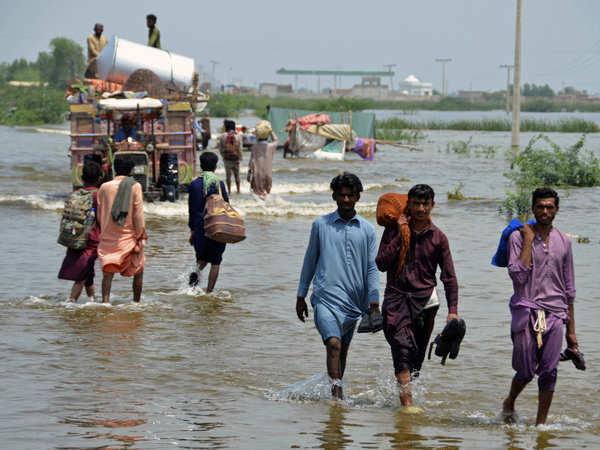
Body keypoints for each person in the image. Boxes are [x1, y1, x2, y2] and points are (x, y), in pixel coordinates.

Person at [296, 172, 380, 399]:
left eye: (350, 195)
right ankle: (337, 394)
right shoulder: (320, 225)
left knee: (342, 350)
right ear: (334, 196)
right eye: (341, 195)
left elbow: (372, 268)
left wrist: (373, 303)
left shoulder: (367, 230)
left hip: (354, 303)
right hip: (325, 298)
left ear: (358, 197)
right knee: (332, 343)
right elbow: (309, 261)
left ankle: (337, 390)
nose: (346, 200)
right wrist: (301, 296)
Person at [376, 184, 459, 407]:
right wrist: (398, 235)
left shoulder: (439, 238)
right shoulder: (393, 231)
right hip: (396, 302)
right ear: (409, 205)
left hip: (426, 305)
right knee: (402, 350)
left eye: (425, 203)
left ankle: (404, 396)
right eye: (416, 203)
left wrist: (453, 312)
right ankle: (407, 403)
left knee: (416, 361)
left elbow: (449, 277)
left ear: (433, 205)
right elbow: (381, 264)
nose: (421, 208)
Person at [502, 187, 578, 426]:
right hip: (526, 310)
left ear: (556, 210)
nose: (545, 211)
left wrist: (572, 333)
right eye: (540, 207)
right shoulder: (517, 237)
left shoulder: (564, 241)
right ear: (533, 208)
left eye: (549, 207)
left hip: (556, 313)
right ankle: (510, 401)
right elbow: (517, 276)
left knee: (549, 372)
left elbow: (569, 289)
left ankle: (540, 425)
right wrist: (527, 239)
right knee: (525, 371)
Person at [97, 155, 147, 303]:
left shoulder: (104, 187)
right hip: (128, 236)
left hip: (108, 236)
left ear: (114, 168)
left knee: (107, 273)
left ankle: (105, 303)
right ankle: (136, 302)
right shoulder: (135, 186)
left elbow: (100, 214)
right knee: (139, 269)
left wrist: (106, 229)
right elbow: (138, 214)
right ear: (131, 170)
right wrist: (140, 235)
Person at [58, 161, 102, 302]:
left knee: (88, 273)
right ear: (99, 179)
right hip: (91, 238)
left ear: (82, 178)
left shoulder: (75, 193)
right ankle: (70, 302)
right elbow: (102, 218)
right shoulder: (98, 195)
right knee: (82, 274)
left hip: (75, 236)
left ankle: (92, 300)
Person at [188, 152, 229, 293]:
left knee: (201, 259)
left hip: (200, 229)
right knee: (216, 261)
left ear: (200, 166)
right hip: (215, 227)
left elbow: (191, 210)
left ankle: (191, 288)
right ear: (215, 167)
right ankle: (209, 292)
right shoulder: (218, 183)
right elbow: (226, 204)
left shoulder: (193, 185)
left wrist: (192, 231)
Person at [247, 126, 278, 197]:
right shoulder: (271, 146)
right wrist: (271, 131)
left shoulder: (254, 147)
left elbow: (251, 161)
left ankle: (260, 207)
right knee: (266, 194)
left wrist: (249, 174)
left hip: (257, 174)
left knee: (258, 194)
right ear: (267, 137)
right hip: (268, 174)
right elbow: (276, 141)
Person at [218, 120, 242, 194]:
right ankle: (238, 190)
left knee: (228, 175)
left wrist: (223, 155)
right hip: (236, 158)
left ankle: (229, 191)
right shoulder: (238, 136)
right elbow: (240, 148)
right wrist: (240, 158)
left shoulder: (223, 136)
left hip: (227, 158)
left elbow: (220, 147)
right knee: (237, 175)